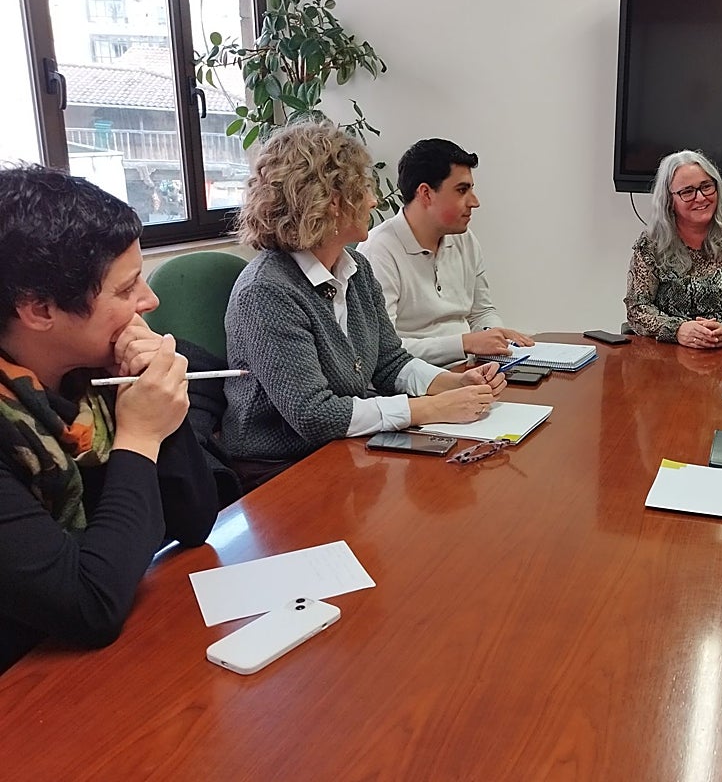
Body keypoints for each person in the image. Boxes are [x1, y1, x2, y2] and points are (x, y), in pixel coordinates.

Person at [0, 166, 219, 672]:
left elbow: (192, 523)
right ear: (39, 309)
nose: (150, 300)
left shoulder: (85, 381)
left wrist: (158, 405)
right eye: (126, 290)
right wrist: (140, 436)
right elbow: (87, 606)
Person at [222, 122, 507, 490]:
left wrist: (450, 384)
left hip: (344, 446)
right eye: (364, 189)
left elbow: (390, 361)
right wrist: (430, 409)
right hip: (279, 469)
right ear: (331, 201)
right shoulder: (267, 292)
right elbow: (314, 415)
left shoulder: (355, 268)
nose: (374, 201)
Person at [358, 138, 533, 366]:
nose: (475, 202)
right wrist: (465, 343)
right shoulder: (378, 251)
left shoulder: (465, 240)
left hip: (469, 371)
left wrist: (496, 336)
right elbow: (383, 350)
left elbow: (481, 312)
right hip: (412, 387)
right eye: (462, 190)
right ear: (426, 193)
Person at [624, 150, 722, 348]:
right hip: (668, 351)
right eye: (687, 191)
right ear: (669, 200)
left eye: (706, 186)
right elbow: (637, 307)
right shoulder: (652, 244)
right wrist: (678, 330)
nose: (700, 198)